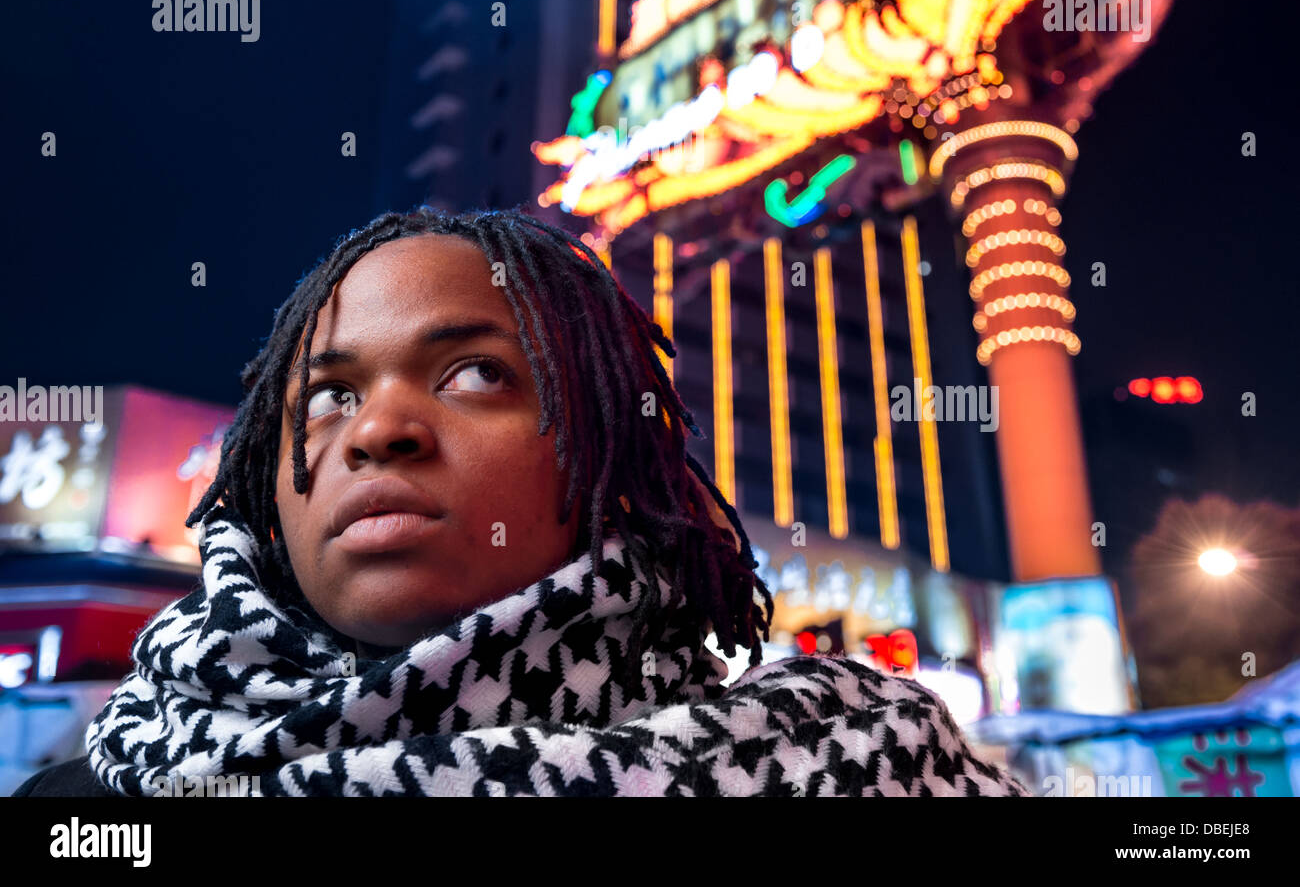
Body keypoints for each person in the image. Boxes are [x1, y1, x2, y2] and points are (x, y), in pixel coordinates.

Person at [12, 207, 1028, 797]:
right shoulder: (90, 800)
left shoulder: (869, 768)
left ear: (611, 447)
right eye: (328, 394)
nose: (378, 429)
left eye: (472, 375)